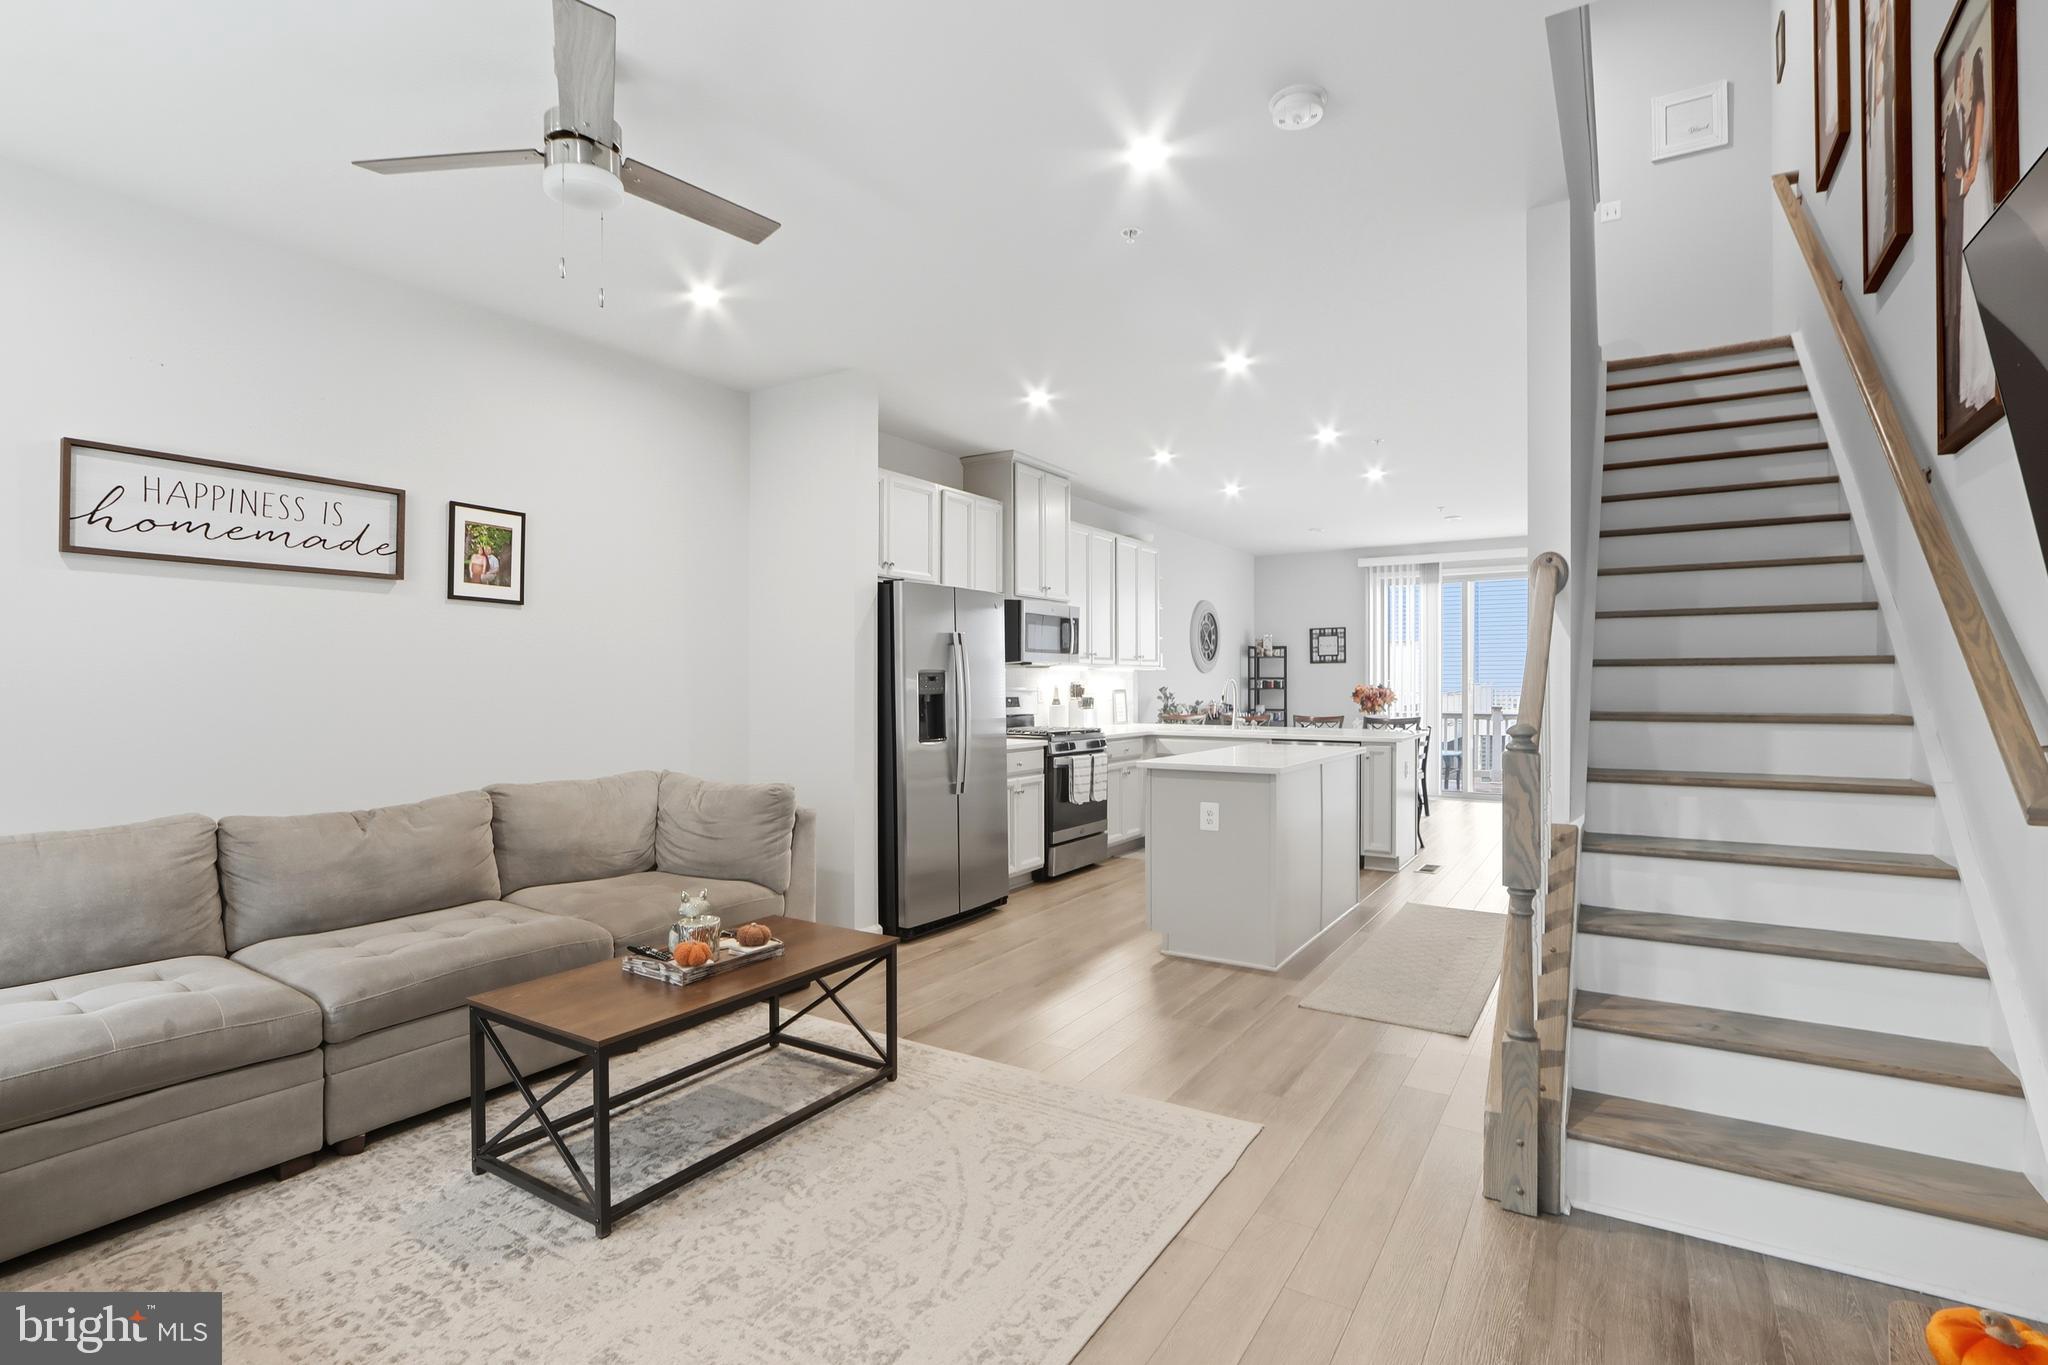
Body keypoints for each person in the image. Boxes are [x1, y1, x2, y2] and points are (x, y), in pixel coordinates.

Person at [1953, 47, 1998, 410]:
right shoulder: (1969, 113)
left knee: (1977, 276)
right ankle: (1973, 374)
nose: (1965, 80)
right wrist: (1962, 176)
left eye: (1969, 72)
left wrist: (1964, 179)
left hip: (1977, 191)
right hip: (1971, 191)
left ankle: (1983, 372)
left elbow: (1974, 163)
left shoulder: (1980, 107)